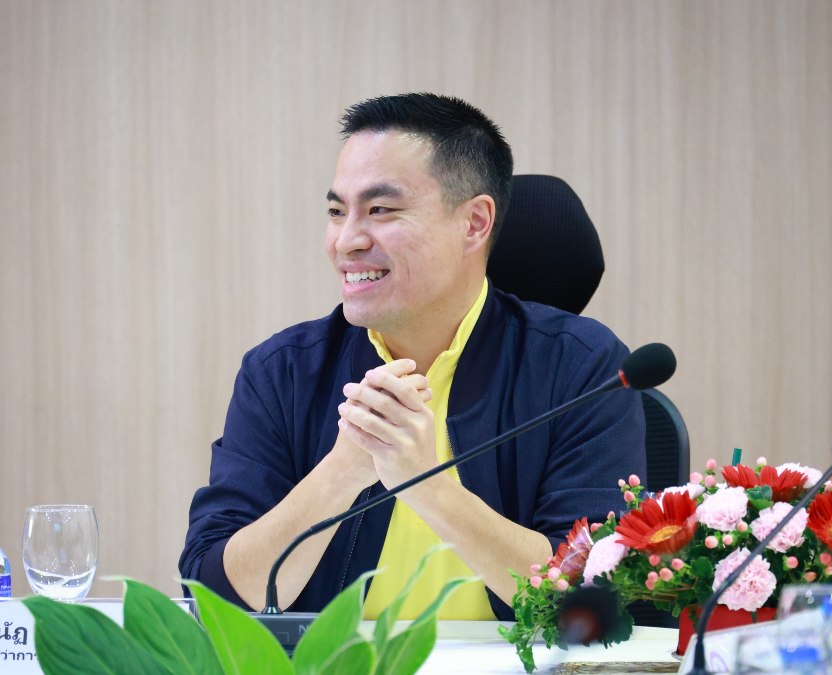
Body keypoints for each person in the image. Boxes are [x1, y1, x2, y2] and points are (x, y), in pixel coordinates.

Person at [179, 93, 646, 621]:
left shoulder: (582, 368)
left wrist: (426, 482)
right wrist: (343, 471)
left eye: (380, 210)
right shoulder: (282, 372)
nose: (346, 241)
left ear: (474, 223)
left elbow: (593, 599)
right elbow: (213, 598)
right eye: (337, 212)